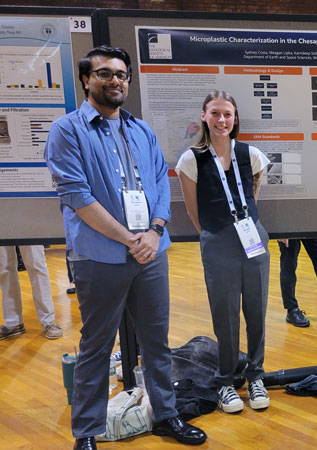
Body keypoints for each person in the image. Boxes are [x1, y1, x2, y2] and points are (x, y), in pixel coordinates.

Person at [45, 45, 206, 449]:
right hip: (99, 256)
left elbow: (158, 186)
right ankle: (86, 432)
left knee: (157, 342)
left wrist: (154, 231)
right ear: (86, 79)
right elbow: (77, 196)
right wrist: (130, 238)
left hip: (151, 253)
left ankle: (166, 416)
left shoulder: (142, 130)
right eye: (104, 73)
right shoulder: (67, 130)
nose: (114, 80)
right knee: (96, 346)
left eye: (120, 74)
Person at [176, 90, 271, 415]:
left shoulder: (251, 155)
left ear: (235, 118)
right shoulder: (191, 159)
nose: (221, 120)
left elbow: (253, 196)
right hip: (217, 239)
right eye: (215, 113)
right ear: (204, 116)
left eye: (227, 114)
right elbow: (193, 211)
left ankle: (256, 374)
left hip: (252, 237)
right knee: (225, 314)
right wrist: (215, 234)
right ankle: (226, 381)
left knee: (257, 309)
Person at [0, 245, 63, 340]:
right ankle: (13, 323)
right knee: (4, 268)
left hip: (28, 229)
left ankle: (48, 321)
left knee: (36, 264)